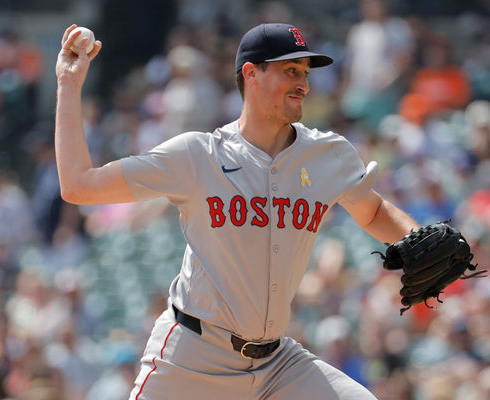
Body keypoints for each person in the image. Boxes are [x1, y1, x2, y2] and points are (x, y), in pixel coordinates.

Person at [55, 22, 418, 399]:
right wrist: (68, 83)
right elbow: (79, 185)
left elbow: (372, 212)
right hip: (192, 359)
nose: (304, 84)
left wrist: (417, 239)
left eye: (305, 73)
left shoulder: (328, 154)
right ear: (251, 73)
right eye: (290, 71)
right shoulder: (198, 155)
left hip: (277, 364)